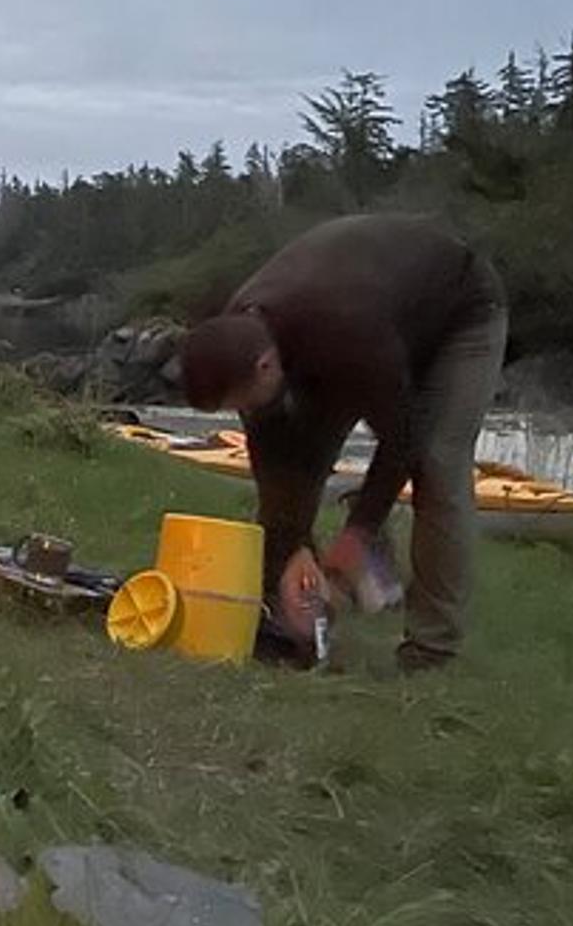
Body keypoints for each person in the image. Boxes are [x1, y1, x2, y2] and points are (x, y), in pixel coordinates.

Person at [177, 214, 508, 672]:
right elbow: (275, 461)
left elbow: (402, 440)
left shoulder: (346, 330)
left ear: (267, 366)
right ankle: (295, 613)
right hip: (367, 329)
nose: (247, 413)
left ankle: (431, 650)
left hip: (459, 316)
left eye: (243, 402)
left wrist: (357, 534)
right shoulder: (242, 334)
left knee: (436, 462)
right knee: (295, 471)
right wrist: (292, 549)